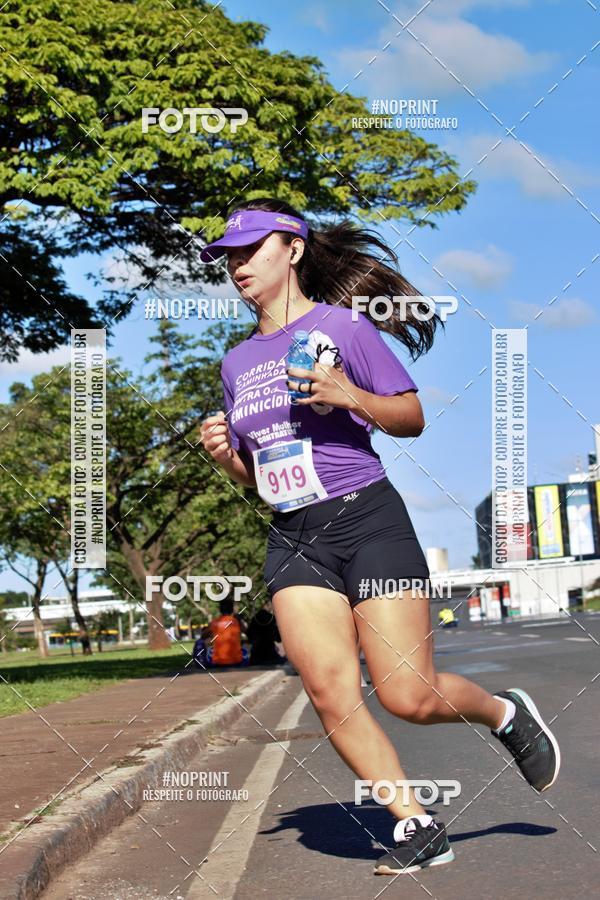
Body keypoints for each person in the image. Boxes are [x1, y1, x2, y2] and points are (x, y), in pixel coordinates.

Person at [199, 199, 561, 876]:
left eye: (251, 250)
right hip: (294, 536)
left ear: (293, 250)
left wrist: (348, 395)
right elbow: (261, 475)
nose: (238, 265)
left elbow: (410, 417)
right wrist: (228, 461)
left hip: (367, 520)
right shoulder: (236, 363)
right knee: (330, 693)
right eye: (229, 257)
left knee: (407, 695)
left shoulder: (344, 328)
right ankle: (417, 825)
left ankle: (504, 713)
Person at [202, 598, 249, 667]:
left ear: (220, 610)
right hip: (236, 661)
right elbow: (248, 632)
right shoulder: (236, 621)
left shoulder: (214, 622)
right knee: (246, 646)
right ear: (232, 609)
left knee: (205, 643)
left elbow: (203, 636)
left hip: (218, 662)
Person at [247, 600, 286, 665]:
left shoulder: (254, 619)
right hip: (270, 656)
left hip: (255, 657)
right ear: (268, 605)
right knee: (286, 661)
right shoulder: (272, 619)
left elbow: (249, 636)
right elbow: (278, 638)